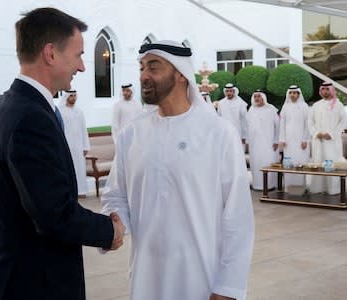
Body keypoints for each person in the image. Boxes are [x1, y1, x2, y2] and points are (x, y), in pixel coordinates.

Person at [0, 8, 125, 300]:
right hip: (28, 284)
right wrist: (109, 230)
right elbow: (53, 214)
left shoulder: (8, 105)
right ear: (51, 54)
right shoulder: (31, 117)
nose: (82, 67)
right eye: (78, 55)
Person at [101, 41, 254, 300]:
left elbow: (237, 216)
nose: (143, 76)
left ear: (181, 73)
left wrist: (229, 285)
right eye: (141, 68)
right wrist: (113, 227)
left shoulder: (218, 133)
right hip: (146, 277)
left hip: (202, 278)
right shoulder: (132, 135)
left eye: (153, 67)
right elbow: (116, 196)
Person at [308, 82, 347, 195]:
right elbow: (310, 122)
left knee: (332, 164)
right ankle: (318, 188)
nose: (325, 91)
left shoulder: (338, 105)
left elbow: (343, 122)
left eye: (327, 89)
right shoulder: (316, 105)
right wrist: (316, 133)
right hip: (318, 140)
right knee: (319, 164)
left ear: (331, 90)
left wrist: (332, 134)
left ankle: (333, 189)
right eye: (323, 89)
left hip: (332, 141)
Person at [58, 90, 90, 197]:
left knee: (80, 169)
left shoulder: (79, 112)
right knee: (68, 168)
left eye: (74, 95)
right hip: (67, 146)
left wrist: (85, 146)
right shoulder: (60, 111)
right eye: (71, 96)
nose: (73, 98)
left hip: (79, 146)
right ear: (66, 97)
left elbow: (83, 129)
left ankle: (81, 191)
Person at [279, 85, 310, 193]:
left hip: (301, 141)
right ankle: (289, 187)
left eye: (295, 93)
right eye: (291, 93)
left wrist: (305, 139)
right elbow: (281, 124)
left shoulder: (304, 106)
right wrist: (282, 139)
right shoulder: (285, 107)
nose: (292, 95)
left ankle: (301, 187)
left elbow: (308, 124)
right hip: (288, 142)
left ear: (298, 94)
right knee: (289, 163)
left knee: (300, 162)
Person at [246, 90, 279, 190]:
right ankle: (257, 185)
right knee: (256, 163)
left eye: (258, 96)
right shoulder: (251, 109)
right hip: (254, 143)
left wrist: (276, 141)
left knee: (268, 162)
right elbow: (247, 126)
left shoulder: (271, 109)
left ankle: (270, 185)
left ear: (263, 98)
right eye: (255, 96)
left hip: (268, 142)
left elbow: (277, 126)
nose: (256, 98)